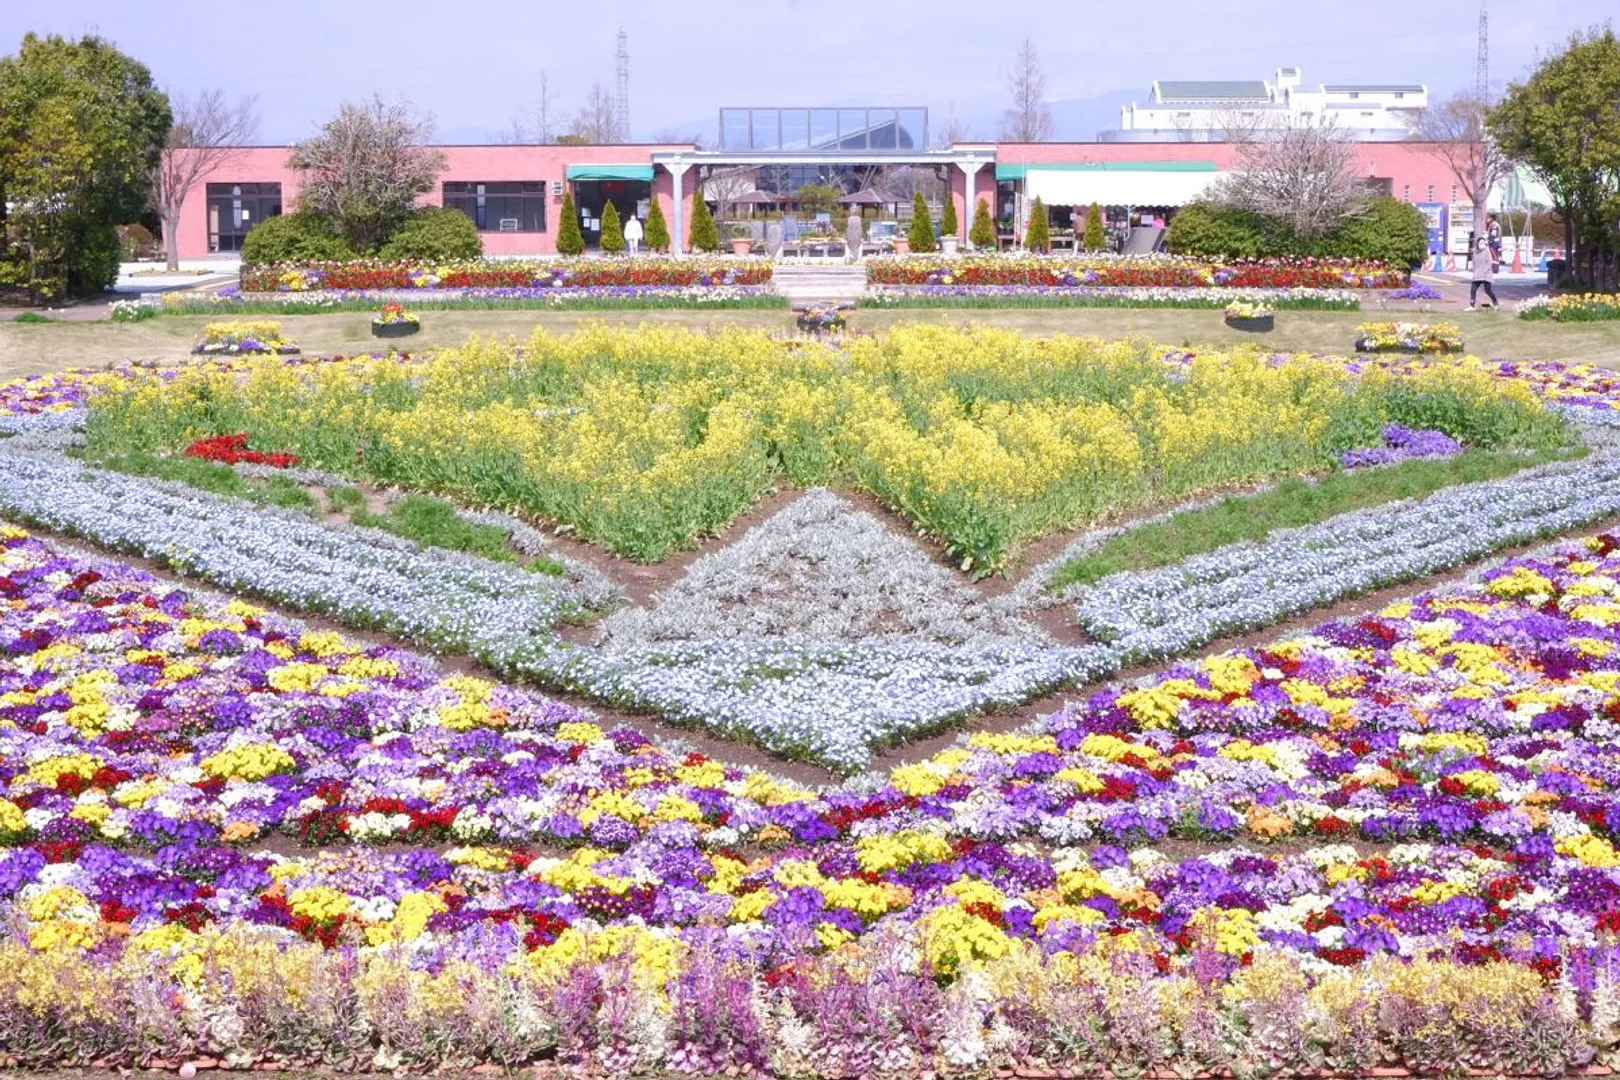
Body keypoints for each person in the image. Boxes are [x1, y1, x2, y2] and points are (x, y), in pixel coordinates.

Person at [1468, 234, 1498, 310]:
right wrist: (1474, 271)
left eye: (1483, 243)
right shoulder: (1475, 252)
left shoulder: (1487, 250)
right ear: (1477, 244)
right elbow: (1474, 263)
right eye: (1480, 243)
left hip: (1486, 274)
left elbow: (1489, 262)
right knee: (1473, 290)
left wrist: (1485, 271)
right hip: (1477, 274)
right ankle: (1472, 306)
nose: (1482, 245)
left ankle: (1495, 302)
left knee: (1488, 290)